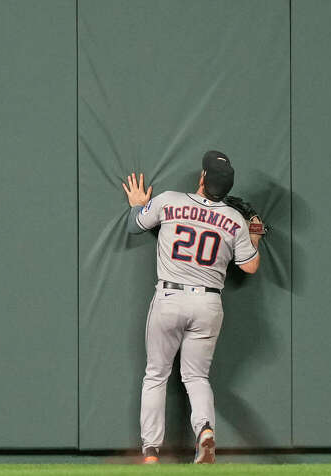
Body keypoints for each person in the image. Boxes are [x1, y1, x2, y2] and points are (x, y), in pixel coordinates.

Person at [121, 150, 261, 464]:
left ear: (201, 178)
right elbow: (250, 267)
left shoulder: (170, 201)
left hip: (170, 297)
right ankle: (206, 431)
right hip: (209, 303)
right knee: (197, 377)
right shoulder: (235, 220)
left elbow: (134, 226)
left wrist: (137, 204)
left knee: (156, 375)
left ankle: (151, 453)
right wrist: (254, 232)